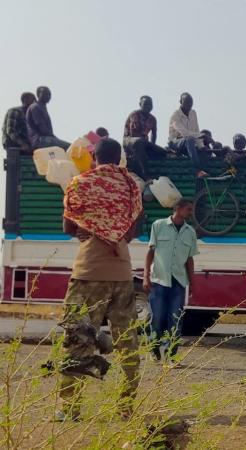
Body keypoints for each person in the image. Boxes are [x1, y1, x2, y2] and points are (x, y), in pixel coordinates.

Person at [57, 138, 143, 421]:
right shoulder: (130, 186)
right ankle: (126, 407)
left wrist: (89, 229)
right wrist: (117, 234)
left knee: (78, 338)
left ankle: (70, 409)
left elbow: (69, 225)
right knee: (127, 341)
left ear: (94, 157)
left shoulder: (80, 183)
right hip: (121, 271)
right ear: (118, 159)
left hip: (88, 271)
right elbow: (133, 228)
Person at [143, 198, 199, 364]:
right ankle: (154, 348)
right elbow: (150, 252)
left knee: (176, 319)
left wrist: (193, 282)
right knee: (157, 317)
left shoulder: (190, 232)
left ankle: (171, 355)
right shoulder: (158, 226)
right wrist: (145, 276)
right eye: (188, 209)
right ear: (178, 208)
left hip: (178, 282)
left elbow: (189, 259)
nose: (191, 212)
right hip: (159, 280)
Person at [123, 96, 170, 179]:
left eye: (150, 104)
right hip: (130, 141)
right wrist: (148, 145)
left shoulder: (153, 119)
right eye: (145, 104)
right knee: (139, 142)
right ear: (140, 104)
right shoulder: (135, 114)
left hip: (144, 142)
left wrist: (153, 146)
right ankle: (145, 174)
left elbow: (154, 134)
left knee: (163, 151)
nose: (148, 106)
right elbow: (133, 133)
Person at [168, 93, 208, 178]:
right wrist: (201, 135)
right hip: (175, 143)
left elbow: (196, 129)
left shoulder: (193, 113)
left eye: (191, 103)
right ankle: (198, 170)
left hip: (189, 143)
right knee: (189, 139)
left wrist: (201, 146)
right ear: (180, 102)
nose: (189, 105)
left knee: (202, 149)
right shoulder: (175, 115)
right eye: (186, 102)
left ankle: (204, 174)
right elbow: (184, 133)